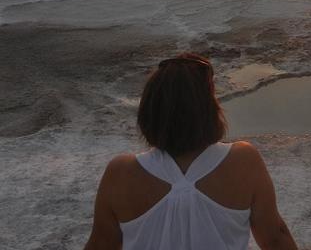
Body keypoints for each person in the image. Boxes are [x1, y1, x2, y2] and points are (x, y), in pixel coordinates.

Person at [84, 53, 298, 250]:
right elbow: (274, 238)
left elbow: (101, 244)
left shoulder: (121, 173)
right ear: (207, 109)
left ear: (151, 110)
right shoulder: (243, 160)